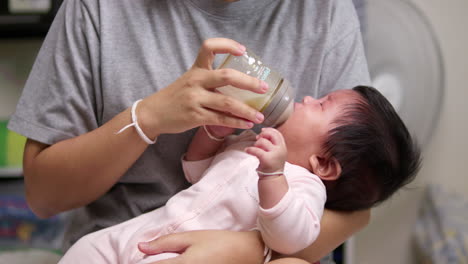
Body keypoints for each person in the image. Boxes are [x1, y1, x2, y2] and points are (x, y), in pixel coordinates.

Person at [8, 0, 373, 263]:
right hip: (130, 236)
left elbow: (358, 208)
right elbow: (44, 196)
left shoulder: (324, 10)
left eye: (321, 103)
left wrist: (244, 250)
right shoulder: (100, 9)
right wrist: (149, 117)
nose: (310, 99)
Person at [57, 86, 421, 264]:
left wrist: (273, 175)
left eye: (321, 104)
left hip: (187, 255)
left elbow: (290, 238)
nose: (308, 98)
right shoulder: (250, 143)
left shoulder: (305, 189)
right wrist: (213, 133)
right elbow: (197, 173)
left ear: (323, 164)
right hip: (145, 230)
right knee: (88, 249)